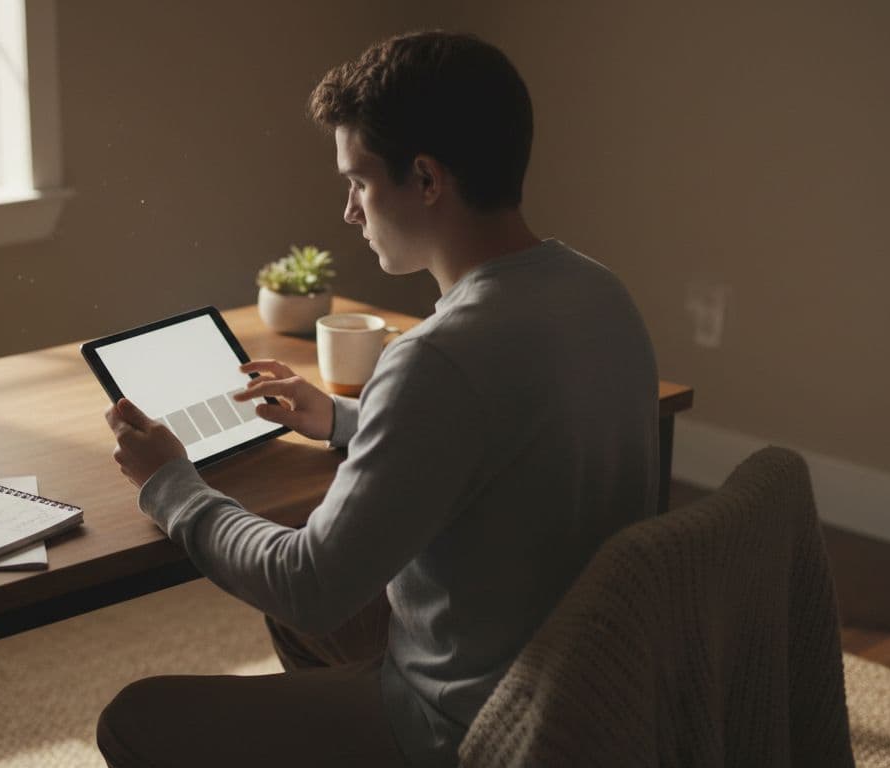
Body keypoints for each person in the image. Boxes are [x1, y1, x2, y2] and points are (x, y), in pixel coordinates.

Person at [96, 30, 659, 768]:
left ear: (426, 179)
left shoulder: (436, 356)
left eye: (358, 182)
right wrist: (341, 420)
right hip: (588, 690)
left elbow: (307, 585)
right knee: (330, 615)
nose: (350, 213)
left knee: (134, 719)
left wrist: (170, 484)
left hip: (471, 723)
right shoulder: (599, 292)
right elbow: (508, 434)